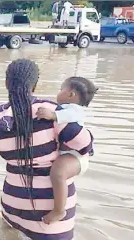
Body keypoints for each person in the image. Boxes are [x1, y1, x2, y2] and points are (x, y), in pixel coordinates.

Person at [0, 59, 94, 240]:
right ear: (35, 86)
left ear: (6, 84)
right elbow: (84, 144)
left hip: (13, 204)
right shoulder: (53, 112)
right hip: (51, 212)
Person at [36, 77, 98, 224]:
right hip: (69, 153)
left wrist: (53, 115)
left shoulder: (74, 110)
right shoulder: (63, 110)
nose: (58, 93)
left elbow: (72, 115)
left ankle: (59, 211)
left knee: (58, 173)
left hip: (77, 157)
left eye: (61, 89)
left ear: (71, 95)